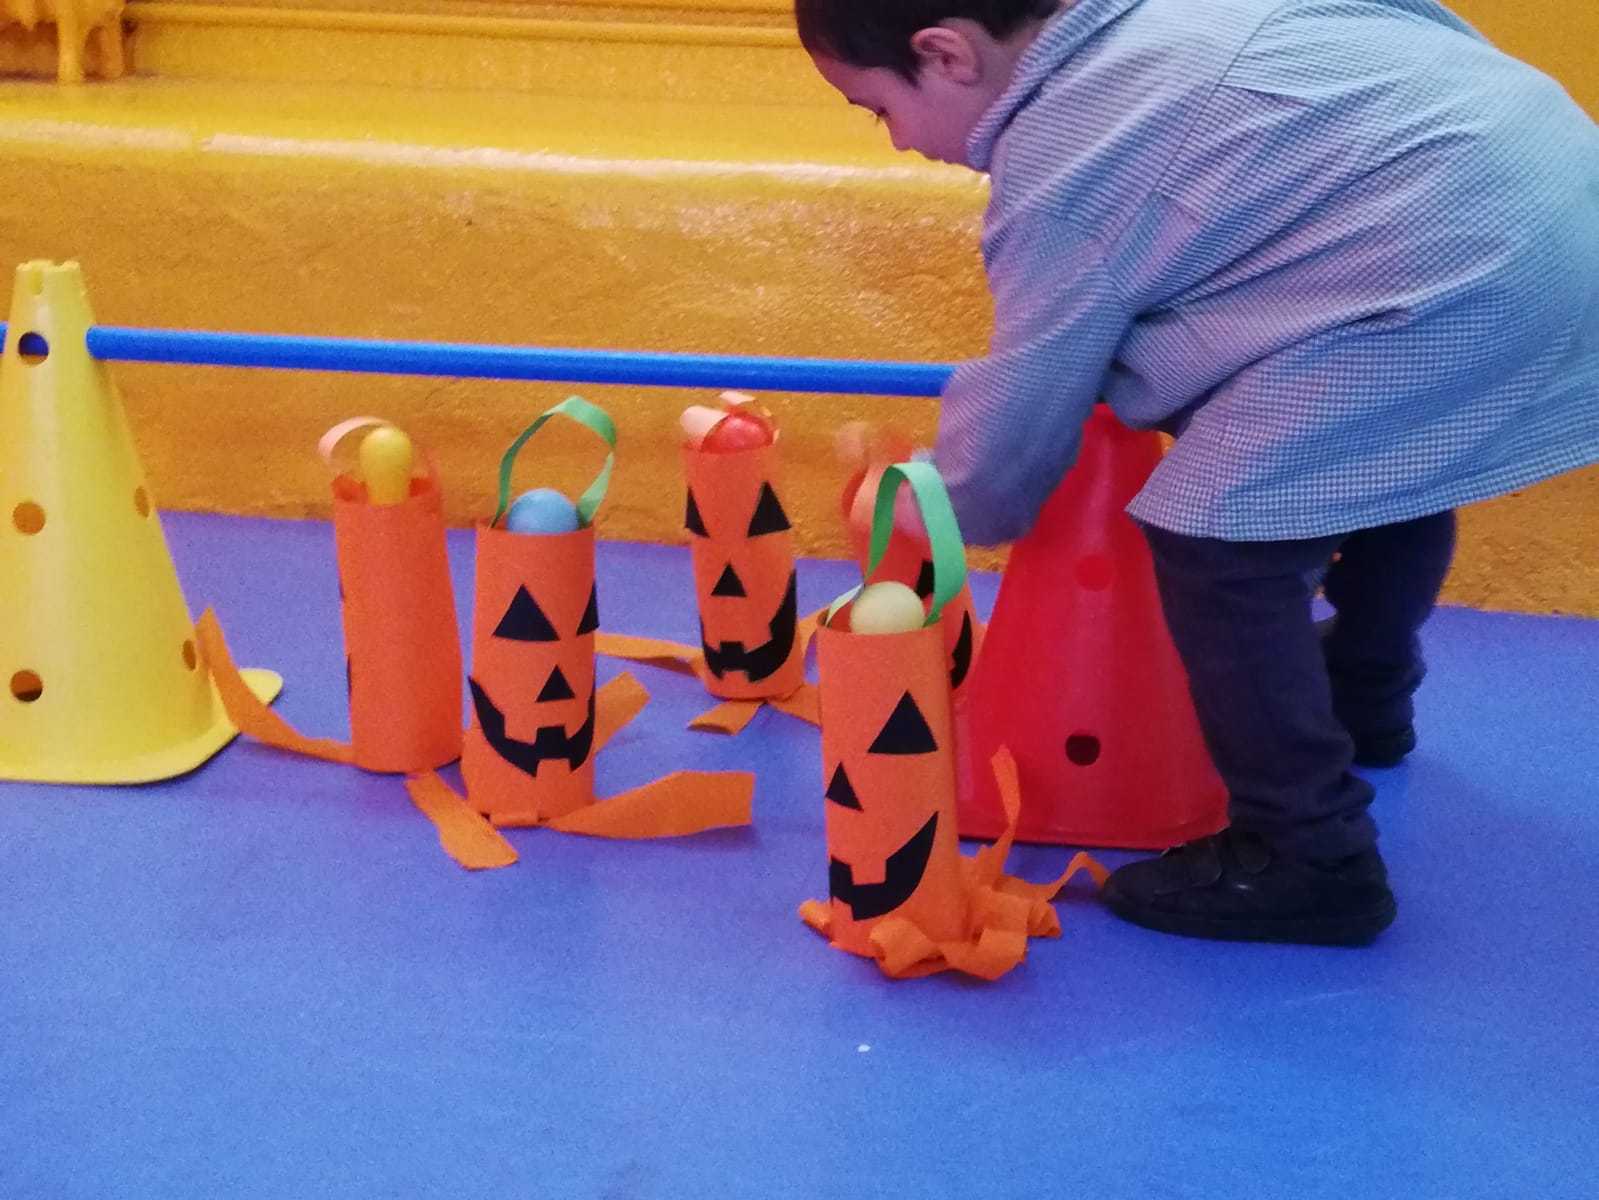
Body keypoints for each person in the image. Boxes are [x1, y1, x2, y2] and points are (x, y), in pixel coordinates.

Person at [795, 0, 1599, 944]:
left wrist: (929, 499)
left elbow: (1018, 425)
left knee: (1214, 534)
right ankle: (1363, 698)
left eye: (878, 110)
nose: (897, 142)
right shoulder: (1174, 17)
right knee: (1385, 460)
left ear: (945, 54)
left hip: (1452, 266)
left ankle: (1307, 853)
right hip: (1556, 189)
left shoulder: (1065, 156)